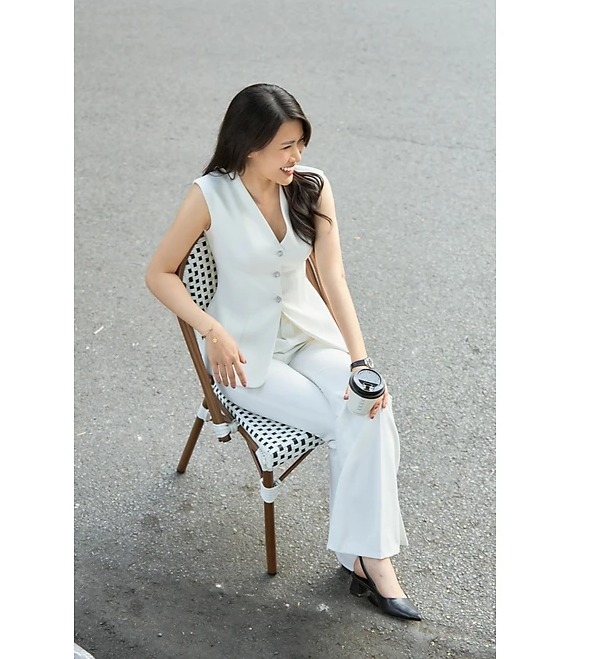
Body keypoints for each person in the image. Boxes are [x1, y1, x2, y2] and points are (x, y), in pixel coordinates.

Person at [145, 83, 421, 620]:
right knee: (351, 420)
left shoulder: (311, 187)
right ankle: (369, 558)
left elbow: (333, 277)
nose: (296, 157)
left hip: (309, 335)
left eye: (301, 143)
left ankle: (364, 555)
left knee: (371, 405)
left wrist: (361, 362)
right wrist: (211, 330)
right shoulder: (209, 195)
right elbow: (159, 273)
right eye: (285, 147)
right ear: (250, 146)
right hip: (244, 355)